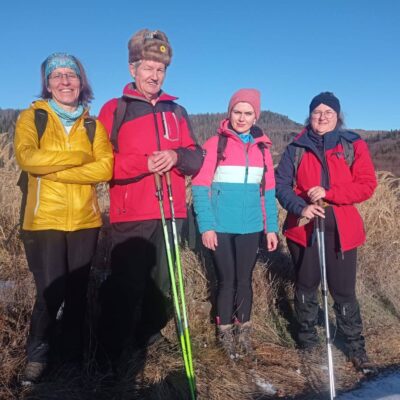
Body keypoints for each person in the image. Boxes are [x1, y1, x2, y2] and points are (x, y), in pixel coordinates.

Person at [97, 29, 203, 364]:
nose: (154, 75)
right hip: (132, 213)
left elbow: (196, 158)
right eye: (148, 68)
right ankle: (111, 350)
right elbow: (102, 164)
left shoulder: (177, 111)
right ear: (133, 69)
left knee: (163, 283)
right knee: (126, 284)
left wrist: (176, 156)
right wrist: (143, 164)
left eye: (160, 69)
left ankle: (150, 333)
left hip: (171, 212)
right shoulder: (115, 109)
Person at [14, 53, 113, 384]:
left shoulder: (93, 125)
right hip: (44, 219)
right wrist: (79, 156)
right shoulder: (32, 117)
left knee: (78, 291)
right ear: (47, 84)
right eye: (57, 76)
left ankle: (71, 353)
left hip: (85, 220)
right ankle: (38, 355)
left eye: (71, 75)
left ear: (81, 82)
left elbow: (105, 168)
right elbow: (28, 158)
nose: (65, 81)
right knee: (49, 292)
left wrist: (55, 172)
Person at [275, 92, 377, 369]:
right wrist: (301, 207)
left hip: (342, 231)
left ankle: (355, 346)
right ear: (309, 115)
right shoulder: (296, 147)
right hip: (304, 228)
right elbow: (281, 185)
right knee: (306, 285)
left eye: (328, 112)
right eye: (317, 112)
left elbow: (367, 184)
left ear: (337, 116)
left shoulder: (352, 144)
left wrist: (329, 193)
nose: (322, 117)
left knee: (343, 290)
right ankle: (307, 342)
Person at [192, 89, 278, 359]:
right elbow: (200, 187)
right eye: (237, 112)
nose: (241, 118)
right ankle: (225, 333)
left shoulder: (262, 150)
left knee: (244, 281)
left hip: (251, 227)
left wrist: (271, 228)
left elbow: (268, 193)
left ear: (256, 117)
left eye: (247, 113)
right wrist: (206, 226)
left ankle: (244, 333)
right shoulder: (215, 144)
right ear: (229, 113)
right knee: (226, 281)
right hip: (220, 227)